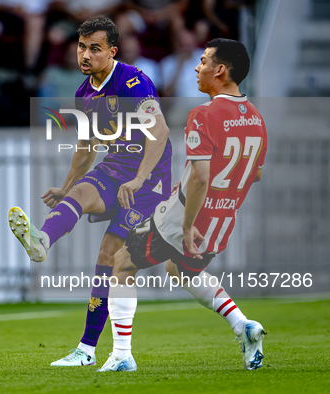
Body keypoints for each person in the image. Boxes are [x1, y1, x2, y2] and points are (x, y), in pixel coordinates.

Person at [8, 16, 172, 367]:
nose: (85, 55)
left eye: (94, 48)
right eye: (82, 47)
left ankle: (94, 349)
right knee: (79, 195)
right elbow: (85, 147)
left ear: (112, 51)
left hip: (149, 180)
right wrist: (65, 188)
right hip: (116, 168)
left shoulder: (133, 81)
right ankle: (41, 242)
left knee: (108, 257)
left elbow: (159, 132)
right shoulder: (85, 92)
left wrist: (140, 179)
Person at [100, 38, 268, 372]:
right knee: (180, 269)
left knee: (121, 263)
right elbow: (256, 174)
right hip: (222, 220)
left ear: (220, 70)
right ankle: (243, 325)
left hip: (184, 218)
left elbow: (200, 178)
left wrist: (188, 224)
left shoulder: (204, 114)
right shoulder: (256, 119)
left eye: (204, 60)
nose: (197, 66)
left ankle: (121, 355)